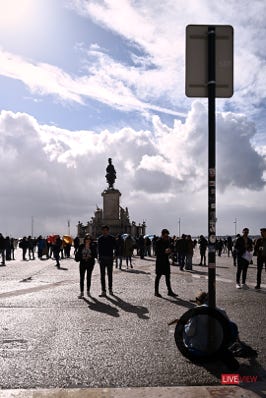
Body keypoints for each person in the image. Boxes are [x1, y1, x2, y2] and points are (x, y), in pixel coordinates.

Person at [154, 229, 178, 298]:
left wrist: (170, 250)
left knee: (168, 277)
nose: (166, 237)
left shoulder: (168, 241)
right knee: (158, 277)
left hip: (166, 261)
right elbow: (157, 252)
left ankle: (170, 291)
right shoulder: (158, 241)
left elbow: (171, 248)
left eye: (167, 236)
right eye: (165, 236)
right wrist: (164, 251)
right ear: (162, 235)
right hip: (159, 261)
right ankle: (156, 292)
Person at [98, 225, 116, 296]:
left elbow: (116, 247)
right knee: (102, 275)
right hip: (102, 258)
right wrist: (98, 258)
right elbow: (98, 249)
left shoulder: (112, 238)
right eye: (103, 230)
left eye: (106, 230)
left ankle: (110, 289)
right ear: (102, 231)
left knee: (110, 275)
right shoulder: (100, 239)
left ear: (108, 231)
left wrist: (115, 255)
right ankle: (103, 290)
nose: (105, 231)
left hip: (110, 258)